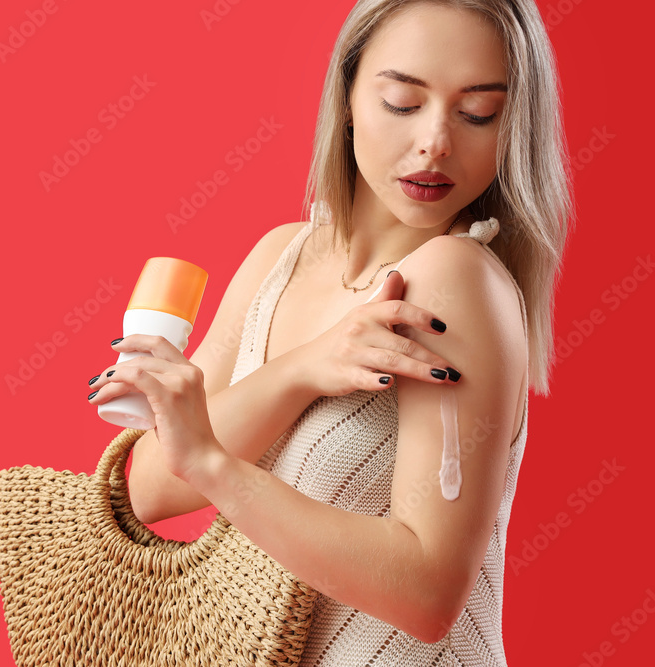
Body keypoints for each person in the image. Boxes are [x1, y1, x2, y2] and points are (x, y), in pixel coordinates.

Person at [86, 0, 571, 662]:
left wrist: (213, 464)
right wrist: (304, 366)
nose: (435, 141)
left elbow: (427, 594)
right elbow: (148, 486)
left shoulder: (454, 281)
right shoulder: (282, 259)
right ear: (346, 97)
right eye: (403, 101)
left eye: (479, 113)